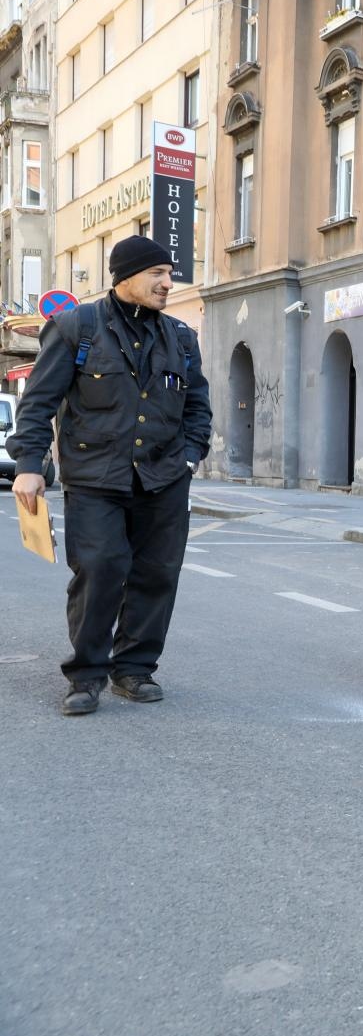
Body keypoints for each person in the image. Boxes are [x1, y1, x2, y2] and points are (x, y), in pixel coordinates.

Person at [7, 235, 211, 715]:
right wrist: (30, 465)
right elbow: (38, 402)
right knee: (99, 570)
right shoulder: (76, 327)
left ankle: (134, 670)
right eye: (157, 273)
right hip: (95, 477)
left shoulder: (182, 338)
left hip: (164, 478)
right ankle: (86, 675)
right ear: (125, 277)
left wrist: (189, 457)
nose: (168, 283)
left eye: (169, 273)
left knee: (157, 575)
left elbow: (198, 407)